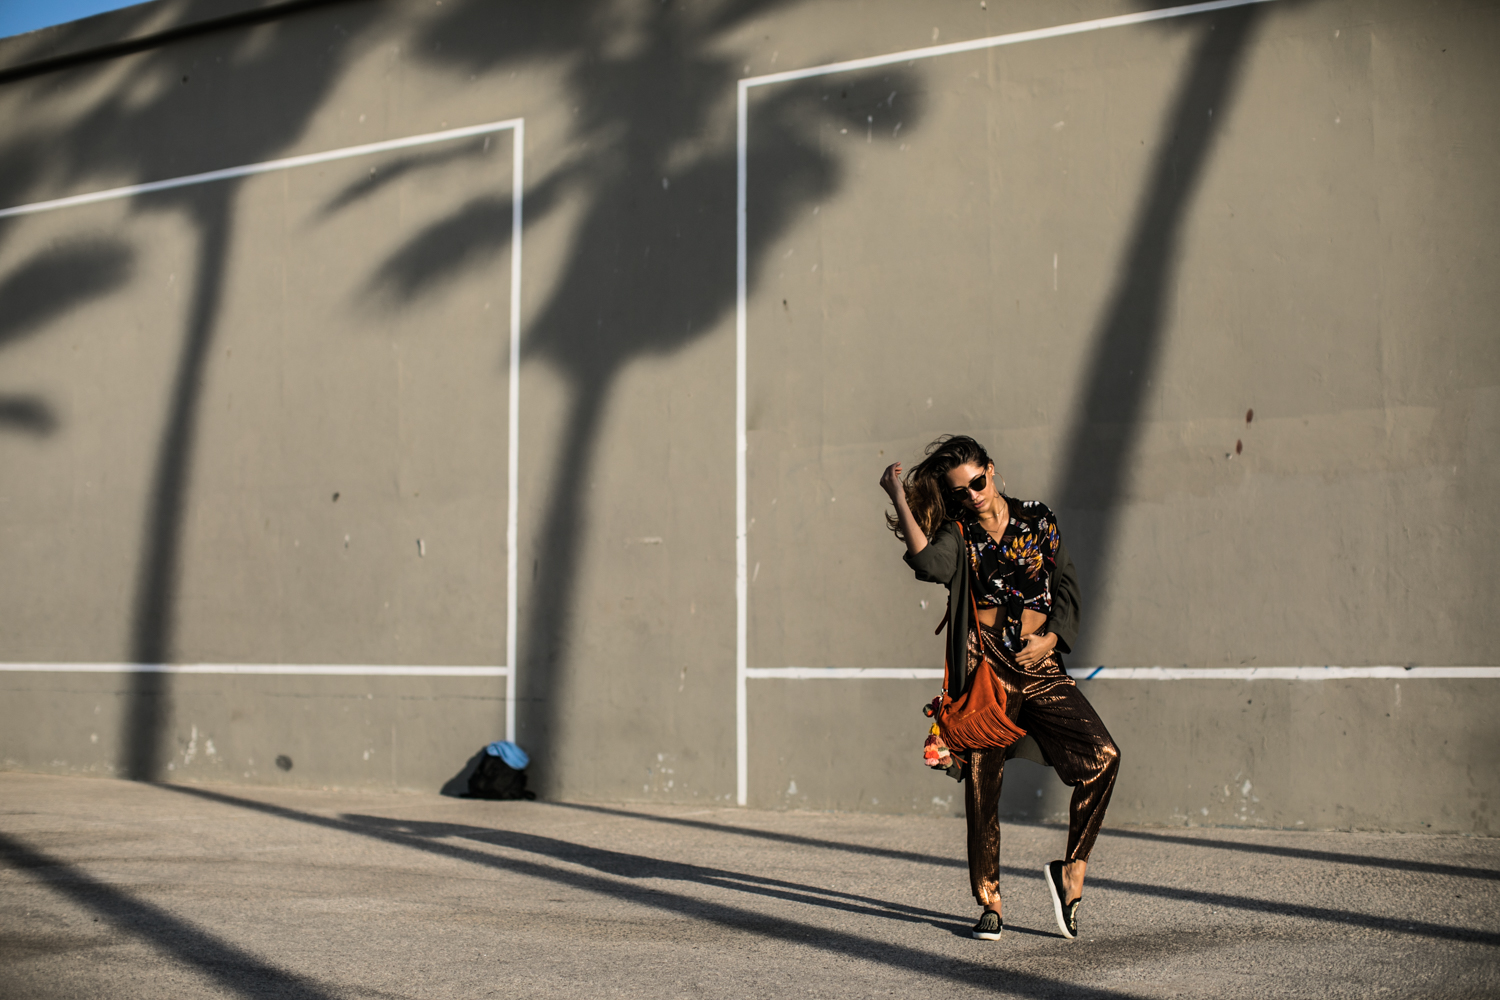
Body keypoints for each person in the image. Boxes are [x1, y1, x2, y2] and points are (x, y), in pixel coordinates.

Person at [879, 434, 1120, 942]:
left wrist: (1052, 637)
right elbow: (927, 565)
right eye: (961, 491)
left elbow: (1066, 582)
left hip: (1038, 664)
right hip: (988, 668)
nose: (973, 495)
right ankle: (989, 901)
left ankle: (1072, 868)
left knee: (1103, 756)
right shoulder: (959, 533)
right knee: (983, 788)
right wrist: (898, 496)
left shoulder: (1038, 518)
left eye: (978, 482)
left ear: (992, 470)